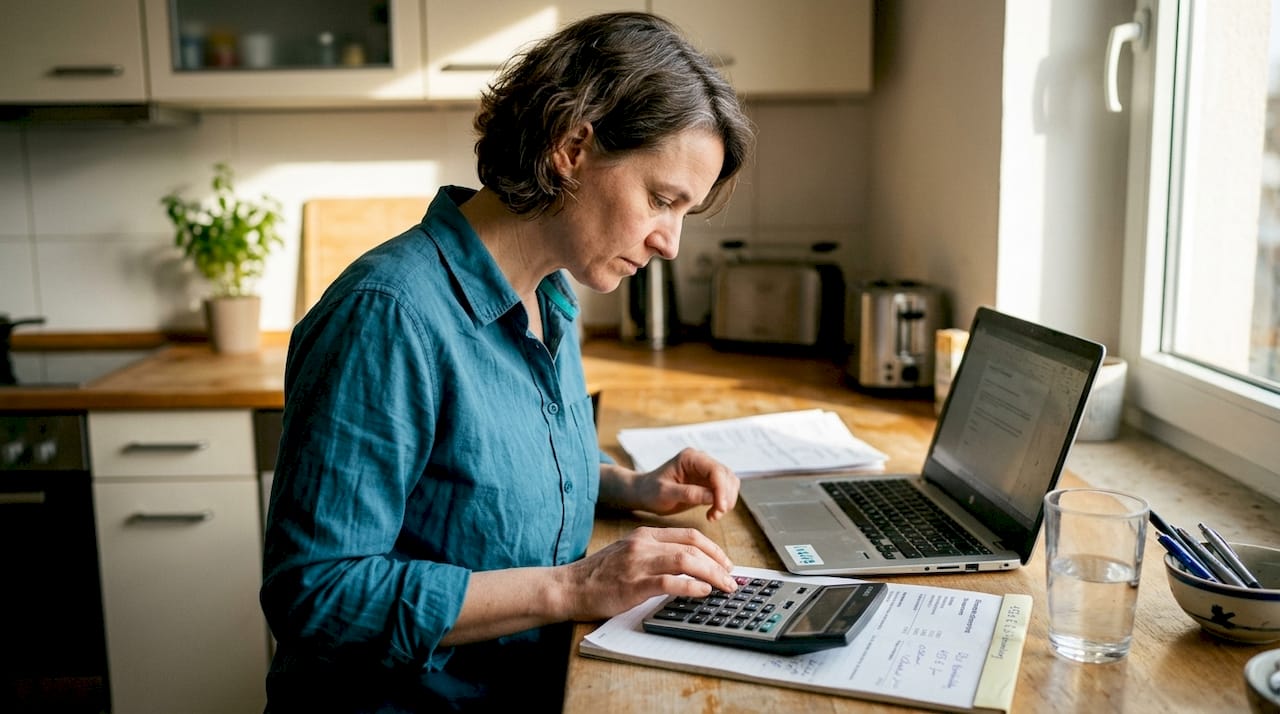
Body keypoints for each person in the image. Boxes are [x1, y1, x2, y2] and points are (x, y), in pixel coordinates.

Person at [259, 11, 755, 712]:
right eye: (660, 200)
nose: (669, 243)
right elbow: (316, 593)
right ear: (572, 147)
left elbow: (481, 476)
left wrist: (629, 486)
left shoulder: (549, 294)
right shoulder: (388, 316)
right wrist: (575, 587)